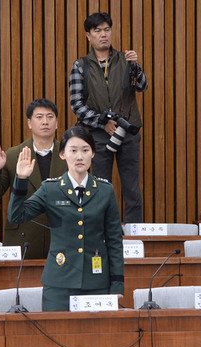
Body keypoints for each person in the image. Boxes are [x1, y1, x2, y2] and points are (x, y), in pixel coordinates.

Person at [7, 125, 124, 311]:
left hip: (97, 283)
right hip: (59, 283)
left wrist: (117, 285)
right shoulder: (50, 189)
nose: (80, 156)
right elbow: (16, 216)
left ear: (93, 153)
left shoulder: (105, 190)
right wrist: (21, 179)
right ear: (62, 155)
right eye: (73, 150)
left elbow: (114, 241)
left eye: (85, 150)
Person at [68, 12, 147, 223]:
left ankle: (134, 234)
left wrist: (135, 66)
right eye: (97, 30)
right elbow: (76, 104)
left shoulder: (125, 59)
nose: (103, 35)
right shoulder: (80, 66)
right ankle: (104, 232)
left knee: (132, 188)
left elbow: (142, 86)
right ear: (88, 35)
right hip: (98, 135)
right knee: (101, 185)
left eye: (107, 30)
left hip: (128, 133)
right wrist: (102, 122)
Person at [0, 98, 67, 259]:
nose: (45, 122)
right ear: (29, 123)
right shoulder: (14, 154)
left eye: (50, 117)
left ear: (56, 123)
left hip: (60, 238)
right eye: (39, 117)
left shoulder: (69, 155)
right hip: (23, 238)